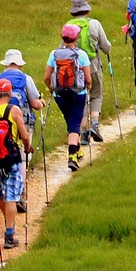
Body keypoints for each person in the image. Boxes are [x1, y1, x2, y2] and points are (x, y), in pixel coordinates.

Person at [0, 75, 32, 247]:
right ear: (9, 94)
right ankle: (10, 235)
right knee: (12, 197)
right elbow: (24, 135)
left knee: (0, 194)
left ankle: (8, 223)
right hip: (12, 158)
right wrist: (27, 147)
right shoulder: (14, 111)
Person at [44, 24, 94, 171]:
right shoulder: (82, 54)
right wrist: (88, 86)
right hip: (78, 93)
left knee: (71, 121)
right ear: (76, 37)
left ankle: (77, 148)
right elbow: (88, 78)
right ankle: (72, 155)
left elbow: (46, 77)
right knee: (74, 124)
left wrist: (51, 88)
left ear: (62, 37)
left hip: (59, 94)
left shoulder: (54, 54)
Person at [65, 0, 115, 142]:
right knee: (96, 94)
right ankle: (94, 124)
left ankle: (84, 133)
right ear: (87, 9)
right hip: (93, 66)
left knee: (82, 97)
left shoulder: (68, 26)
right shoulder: (95, 24)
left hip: (74, 69)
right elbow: (106, 47)